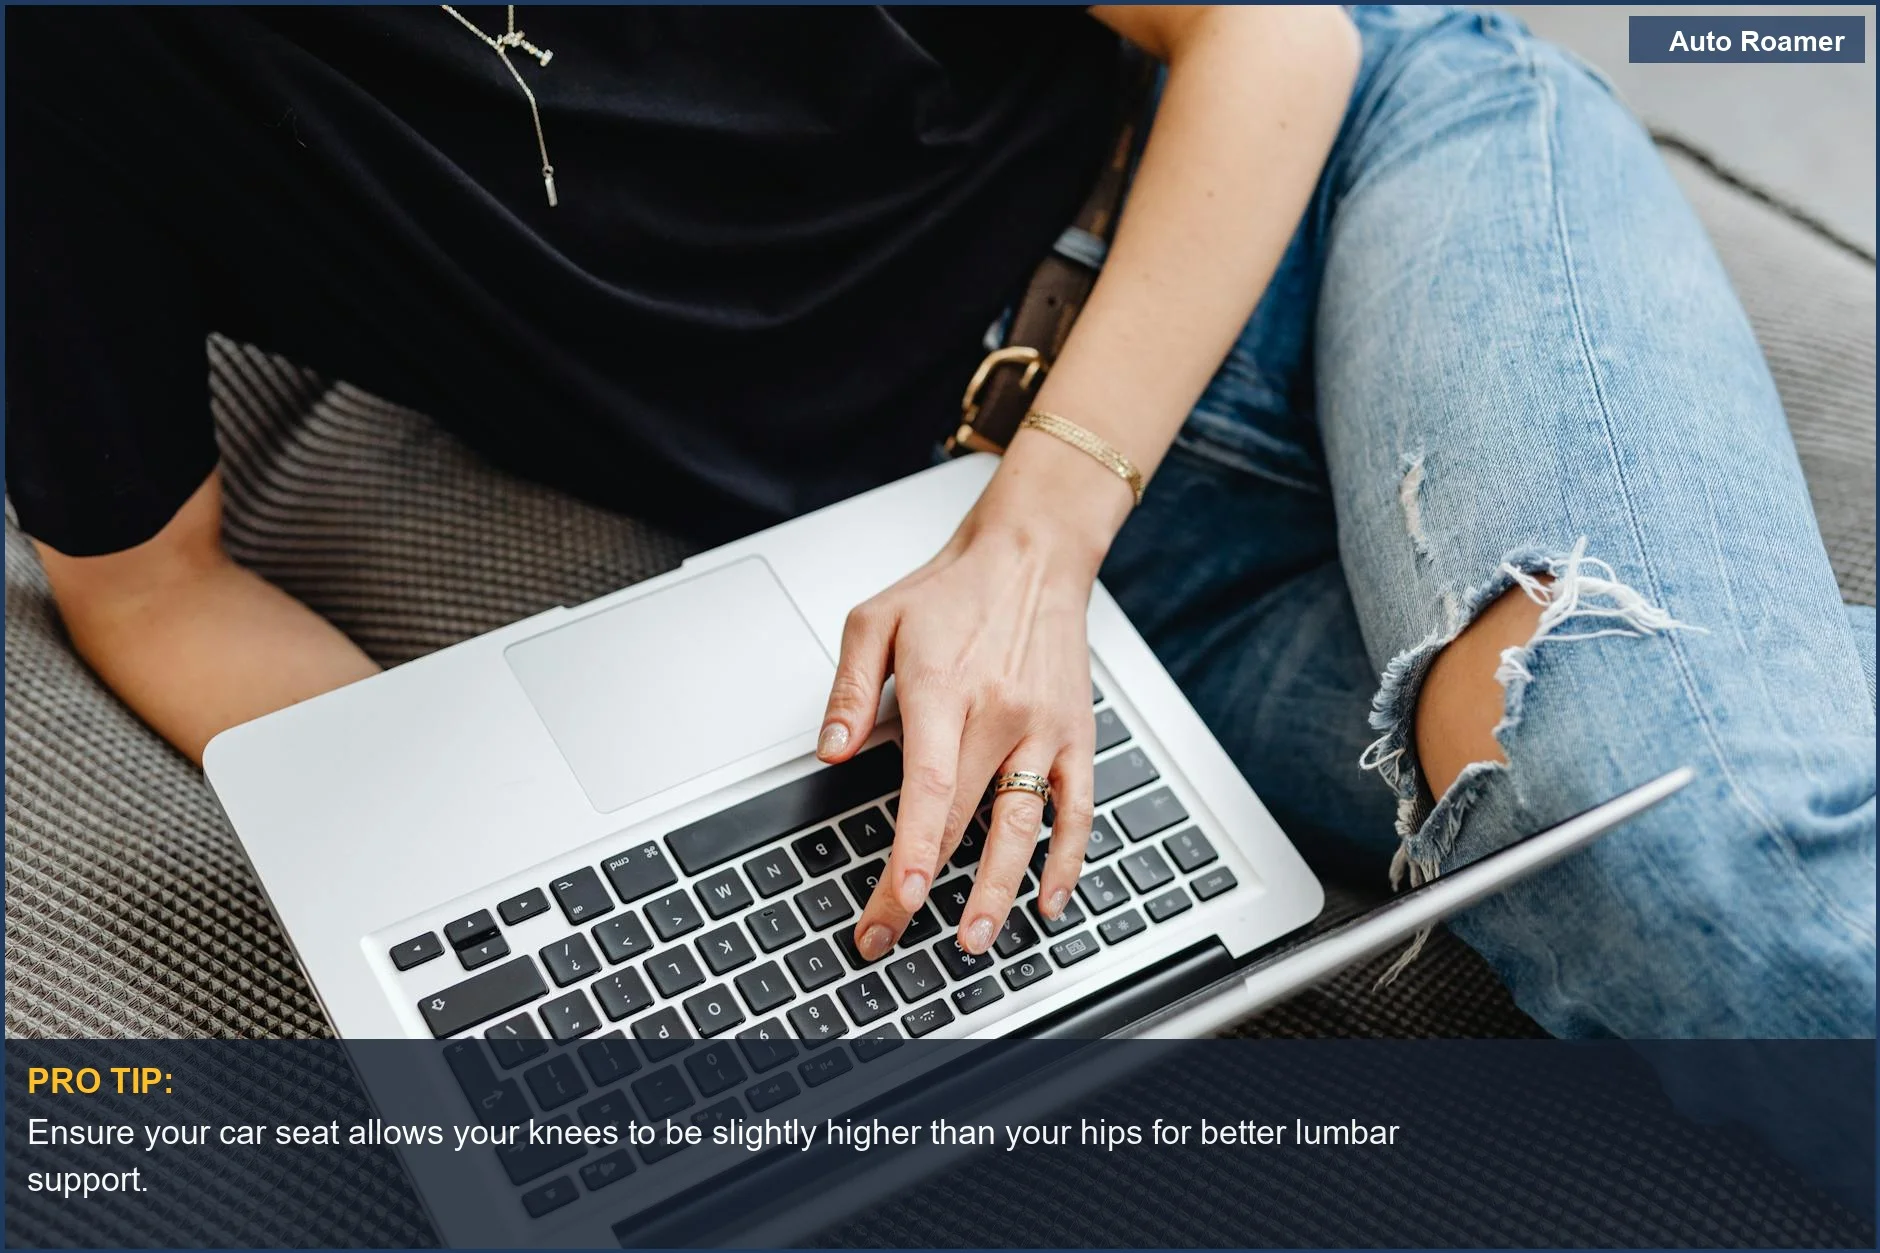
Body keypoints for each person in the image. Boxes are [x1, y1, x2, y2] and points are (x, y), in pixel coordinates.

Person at [8, 5, 1873, 1040]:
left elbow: (1267, 32)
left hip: (1332, 197)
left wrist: (1039, 530)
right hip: (1012, 589)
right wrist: (480, 893)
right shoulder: (59, 72)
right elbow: (149, 585)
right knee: (1649, 802)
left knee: (1662, 843)